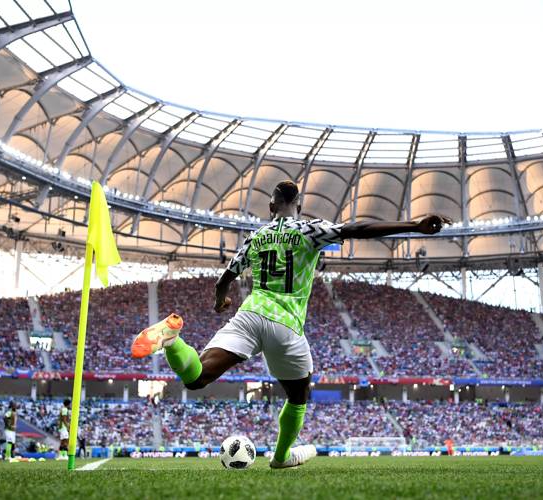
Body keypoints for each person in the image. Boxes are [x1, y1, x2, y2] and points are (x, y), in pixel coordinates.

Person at [132, 180, 448, 469]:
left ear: (271, 208)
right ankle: (282, 457)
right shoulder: (308, 231)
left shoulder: (255, 237)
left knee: (196, 377)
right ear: (299, 204)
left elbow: (223, 281)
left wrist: (220, 302)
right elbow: (358, 229)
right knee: (298, 396)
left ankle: (173, 341)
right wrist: (414, 225)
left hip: (250, 315)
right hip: (285, 324)